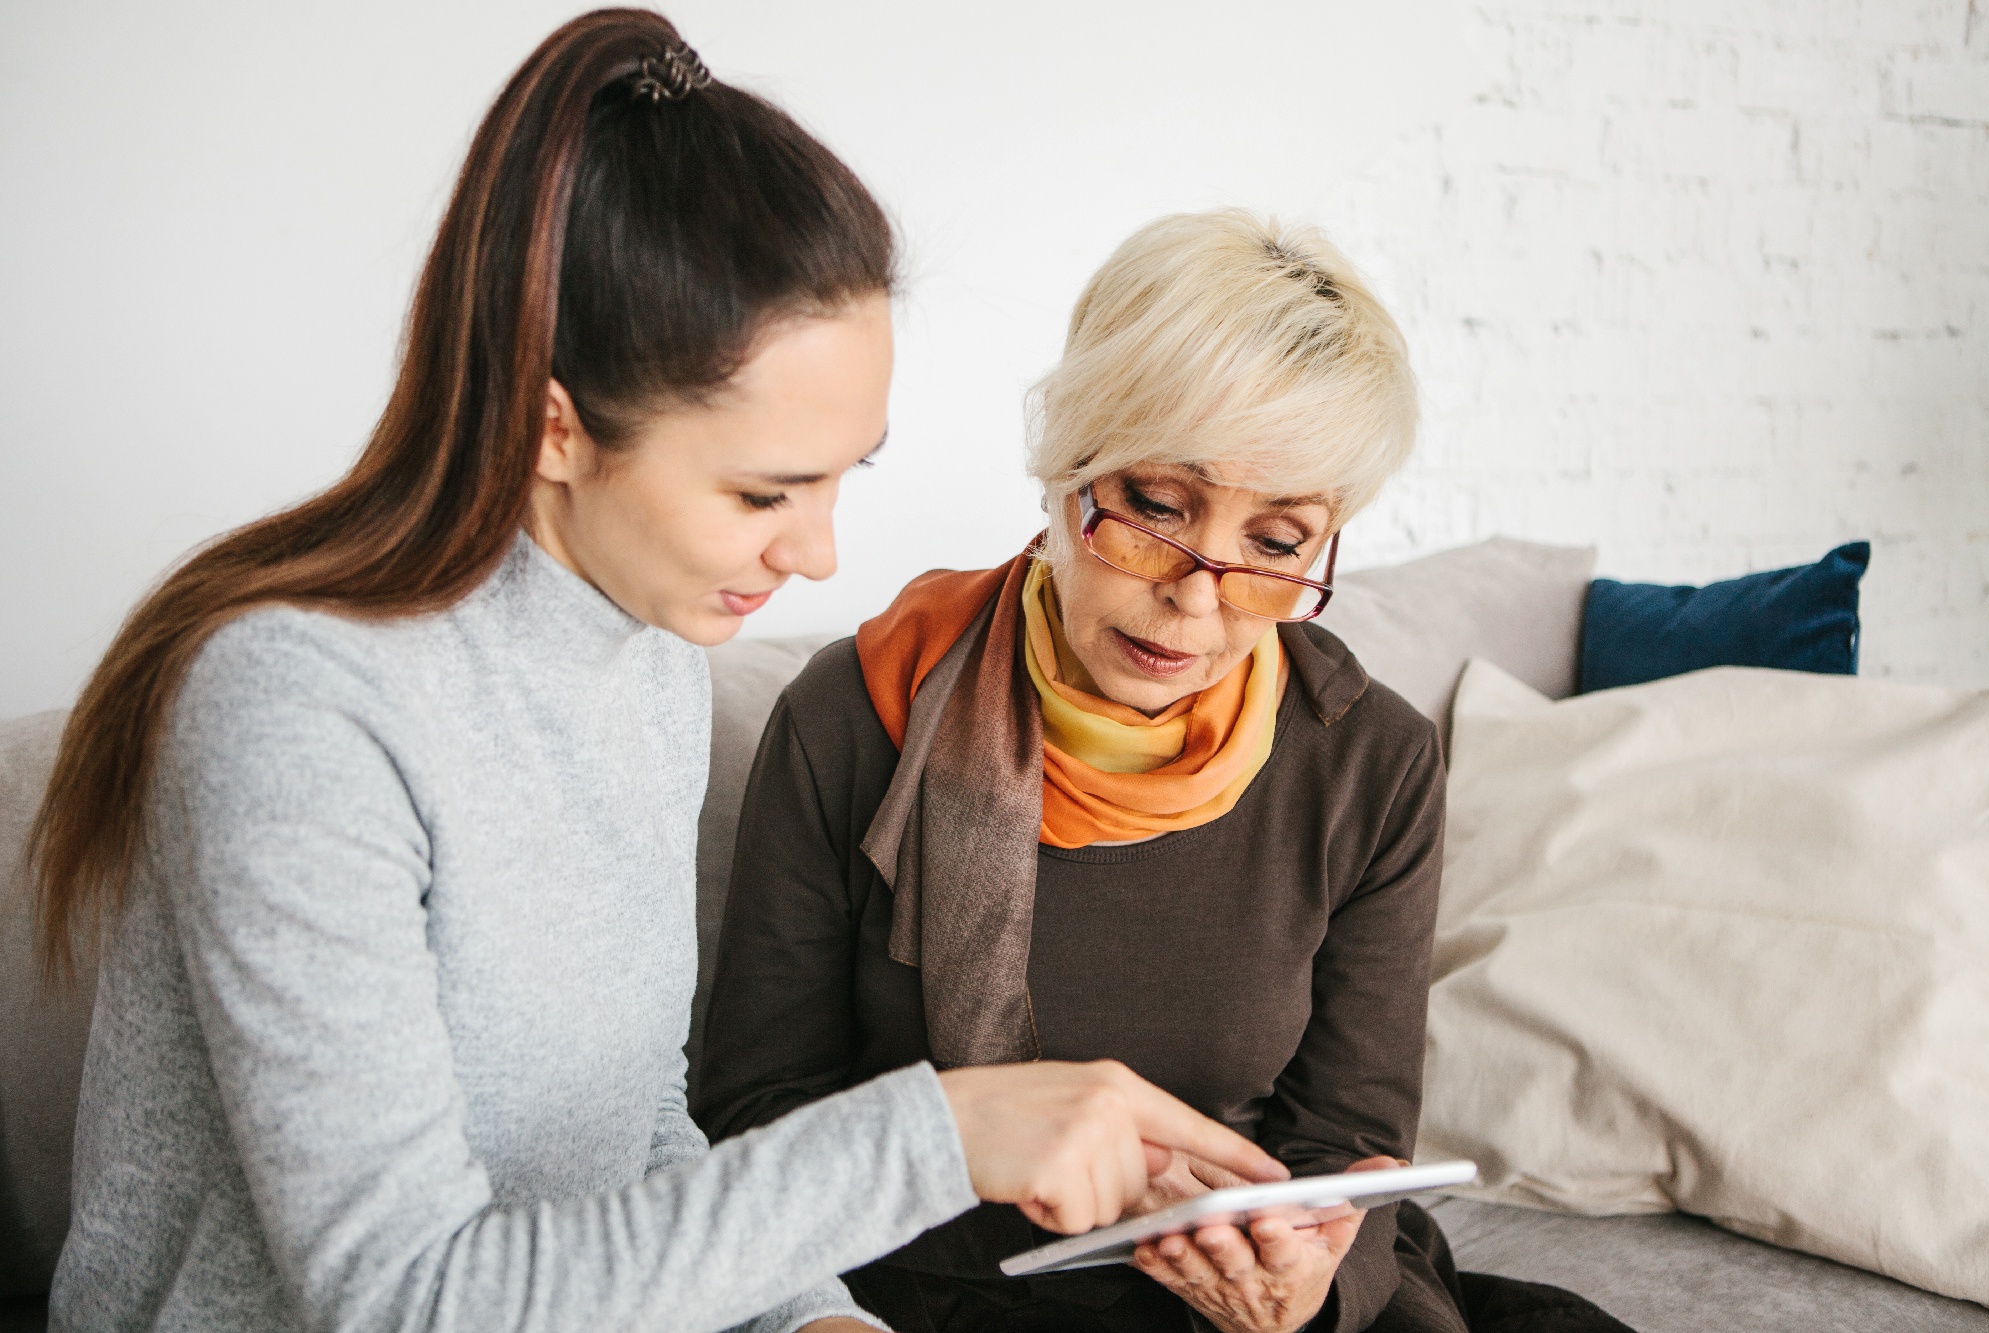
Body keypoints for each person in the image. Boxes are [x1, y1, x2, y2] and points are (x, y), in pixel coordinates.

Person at [26, 16, 1288, 1332]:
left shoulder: (648, 662)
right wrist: (939, 1134)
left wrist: (814, 1317)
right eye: (765, 490)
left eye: (843, 475)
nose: (817, 551)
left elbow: (628, 1144)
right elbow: (400, 1296)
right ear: (552, 426)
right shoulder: (300, 704)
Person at [696, 212, 1635, 1333]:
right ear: (1065, 472)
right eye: (1154, 508)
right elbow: (755, 1115)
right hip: (963, 1296)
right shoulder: (853, 719)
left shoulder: (1368, 762)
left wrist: (1304, 1288)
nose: (1198, 597)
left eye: (1275, 544)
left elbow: (1347, 1138)